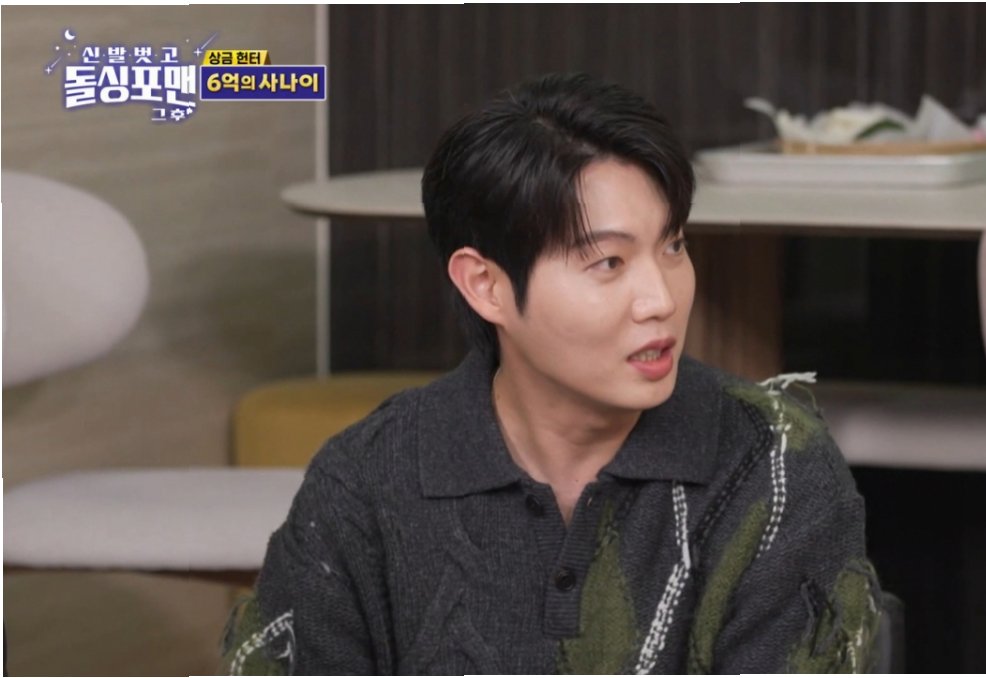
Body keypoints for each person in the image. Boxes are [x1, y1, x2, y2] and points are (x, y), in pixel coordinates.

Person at [220, 71, 883, 675]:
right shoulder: (367, 479)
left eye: (673, 245)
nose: (660, 299)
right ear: (485, 285)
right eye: (608, 264)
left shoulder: (774, 465)